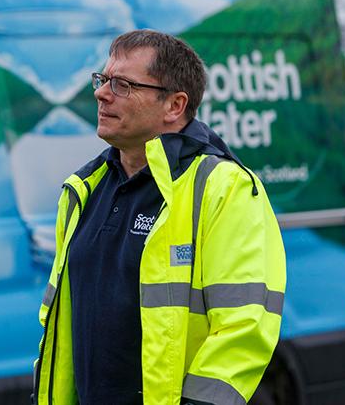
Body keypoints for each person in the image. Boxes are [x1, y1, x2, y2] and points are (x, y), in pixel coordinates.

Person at [32, 29, 286, 405]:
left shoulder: (223, 188)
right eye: (102, 80)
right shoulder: (81, 191)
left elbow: (242, 331)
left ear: (174, 105)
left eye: (122, 85)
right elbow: (60, 335)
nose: (101, 93)